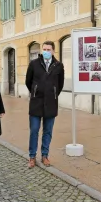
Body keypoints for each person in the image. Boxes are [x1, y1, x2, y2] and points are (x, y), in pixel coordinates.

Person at [25, 40, 64, 168]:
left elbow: (60, 84)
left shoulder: (58, 65)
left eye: (49, 50)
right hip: (36, 103)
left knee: (48, 131)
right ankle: (32, 157)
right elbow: (28, 81)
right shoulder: (34, 64)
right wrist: (35, 92)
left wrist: (52, 94)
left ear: (53, 51)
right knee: (34, 131)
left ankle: (45, 155)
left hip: (51, 104)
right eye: (44, 49)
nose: (46, 52)